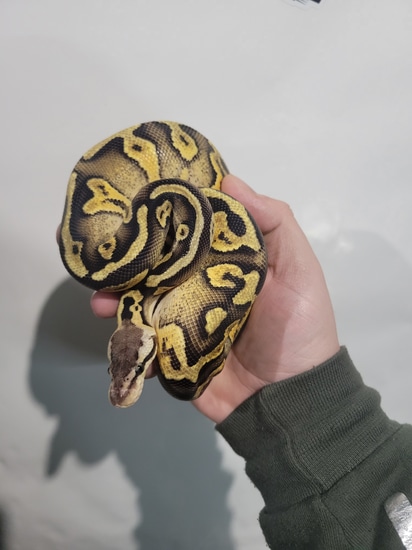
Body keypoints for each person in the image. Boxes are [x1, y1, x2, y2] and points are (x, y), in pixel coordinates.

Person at [89, 175, 412, 549]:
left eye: (132, 372)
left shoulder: (144, 302)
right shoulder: (139, 312)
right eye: (119, 373)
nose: (124, 389)